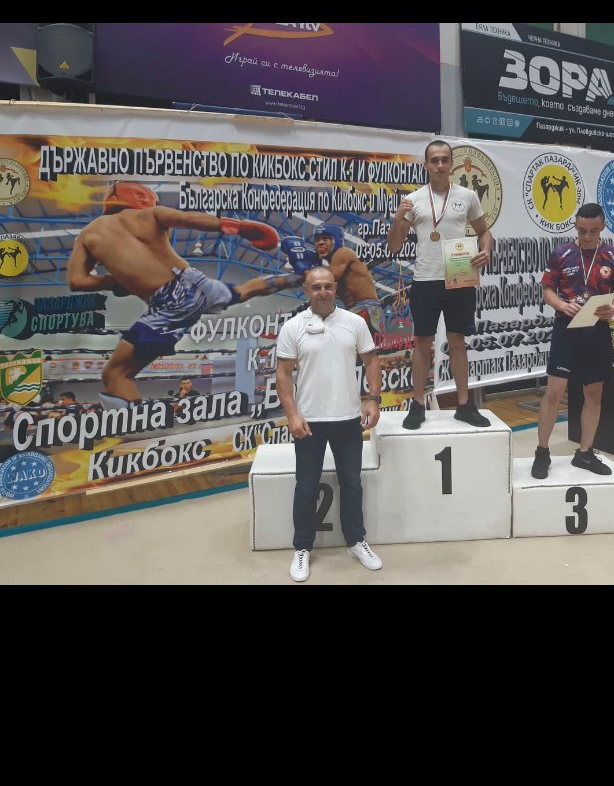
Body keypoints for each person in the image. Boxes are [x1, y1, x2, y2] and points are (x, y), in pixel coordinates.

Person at [67, 181, 302, 408]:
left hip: (169, 304)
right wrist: (237, 227)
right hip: (195, 280)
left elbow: (77, 281)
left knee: (115, 374)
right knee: (242, 292)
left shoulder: (88, 235)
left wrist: (116, 282)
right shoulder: (150, 214)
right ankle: (299, 276)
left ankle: (137, 428)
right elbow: (188, 218)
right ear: (141, 198)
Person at [275, 266, 383, 583]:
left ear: (336, 288)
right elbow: (283, 374)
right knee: (306, 487)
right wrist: (292, 415)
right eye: (316, 287)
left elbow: (372, 361)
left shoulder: (355, 323)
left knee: (352, 483)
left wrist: (373, 399)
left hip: (348, 418)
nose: (322, 292)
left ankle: (356, 541)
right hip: (309, 421)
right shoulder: (293, 327)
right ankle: (302, 548)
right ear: (306, 291)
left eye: (327, 286)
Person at [387, 139, 492, 429]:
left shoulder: (467, 196)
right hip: (425, 278)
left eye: (445, 159)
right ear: (426, 165)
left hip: (459, 276)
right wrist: (398, 218)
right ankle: (418, 404)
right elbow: (394, 246)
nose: (440, 165)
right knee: (422, 342)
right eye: (435, 160)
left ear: (451, 164)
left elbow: (484, 233)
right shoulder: (414, 200)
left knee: (458, 340)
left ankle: (464, 405)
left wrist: (486, 250)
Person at [531, 202, 614, 479]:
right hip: (567, 328)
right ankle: (542, 451)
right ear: (575, 225)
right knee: (554, 392)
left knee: (594, 393)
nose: (587, 236)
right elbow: (547, 290)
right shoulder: (561, 253)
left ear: (603, 227)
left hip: (597, 330)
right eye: (582, 230)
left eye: (593, 231)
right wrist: (561, 305)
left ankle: (585, 453)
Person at [280, 225, 385, 333]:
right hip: (358, 310)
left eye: (325, 239)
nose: (320, 243)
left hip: (366, 308)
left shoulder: (342, 253)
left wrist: (301, 265)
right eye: (317, 240)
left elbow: (324, 281)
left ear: (336, 240)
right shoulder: (334, 267)